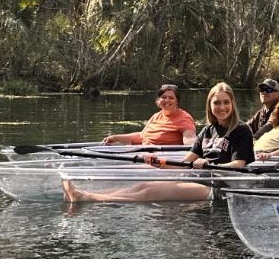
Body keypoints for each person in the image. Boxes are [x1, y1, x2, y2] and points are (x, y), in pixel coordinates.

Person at [63, 82, 255, 203]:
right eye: (217, 103)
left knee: (151, 192)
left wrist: (208, 164)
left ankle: (88, 198)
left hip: (222, 187)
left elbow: (238, 165)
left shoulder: (241, 130)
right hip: (200, 180)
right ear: (210, 106)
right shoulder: (208, 130)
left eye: (225, 103)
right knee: (141, 186)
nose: (221, 107)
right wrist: (159, 164)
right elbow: (185, 163)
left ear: (232, 104)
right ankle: (84, 194)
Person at [103, 84, 197, 146]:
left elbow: (190, 139)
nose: (167, 100)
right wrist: (115, 138)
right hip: (143, 153)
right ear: (159, 101)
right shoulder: (156, 116)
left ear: (177, 101)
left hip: (163, 159)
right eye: (163, 97)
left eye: (171, 98)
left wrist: (196, 152)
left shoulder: (184, 118)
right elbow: (142, 136)